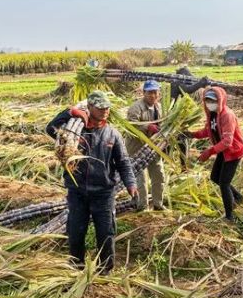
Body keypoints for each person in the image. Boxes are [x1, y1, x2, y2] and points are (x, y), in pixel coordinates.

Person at [45, 91, 136, 274]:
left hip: (104, 193)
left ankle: (105, 269)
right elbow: (50, 128)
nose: (104, 111)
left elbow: (123, 162)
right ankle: (76, 266)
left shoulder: (112, 134)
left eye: (107, 108)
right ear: (90, 108)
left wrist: (131, 184)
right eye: (100, 107)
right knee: (76, 231)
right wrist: (69, 112)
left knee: (106, 232)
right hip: (77, 191)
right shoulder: (74, 131)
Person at [190, 88, 243, 220]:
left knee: (224, 183)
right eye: (207, 100)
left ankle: (229, 216)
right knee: (215, 177)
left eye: (213, 100)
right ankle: (238, 198)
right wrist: (191, 134)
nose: (210, 103)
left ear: (220, 100)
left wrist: (209, 152)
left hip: (233, 151)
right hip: (223, 150)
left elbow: (227, 141)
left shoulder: (227, 115)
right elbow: (207, 131)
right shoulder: (212, 114)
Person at [125, 80, 166, 211]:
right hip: (137, 147)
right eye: (149, 93)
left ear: (158, 93)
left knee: (159, 174)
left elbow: (163, 124)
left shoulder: (159, 107)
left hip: (153, 147)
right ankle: (142, 206)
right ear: (144, 93)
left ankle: (158, 204)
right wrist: (147, 126)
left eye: (155, 92)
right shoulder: (136, 107)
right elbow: (131, 125)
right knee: (140, 178)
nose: (152, 95)